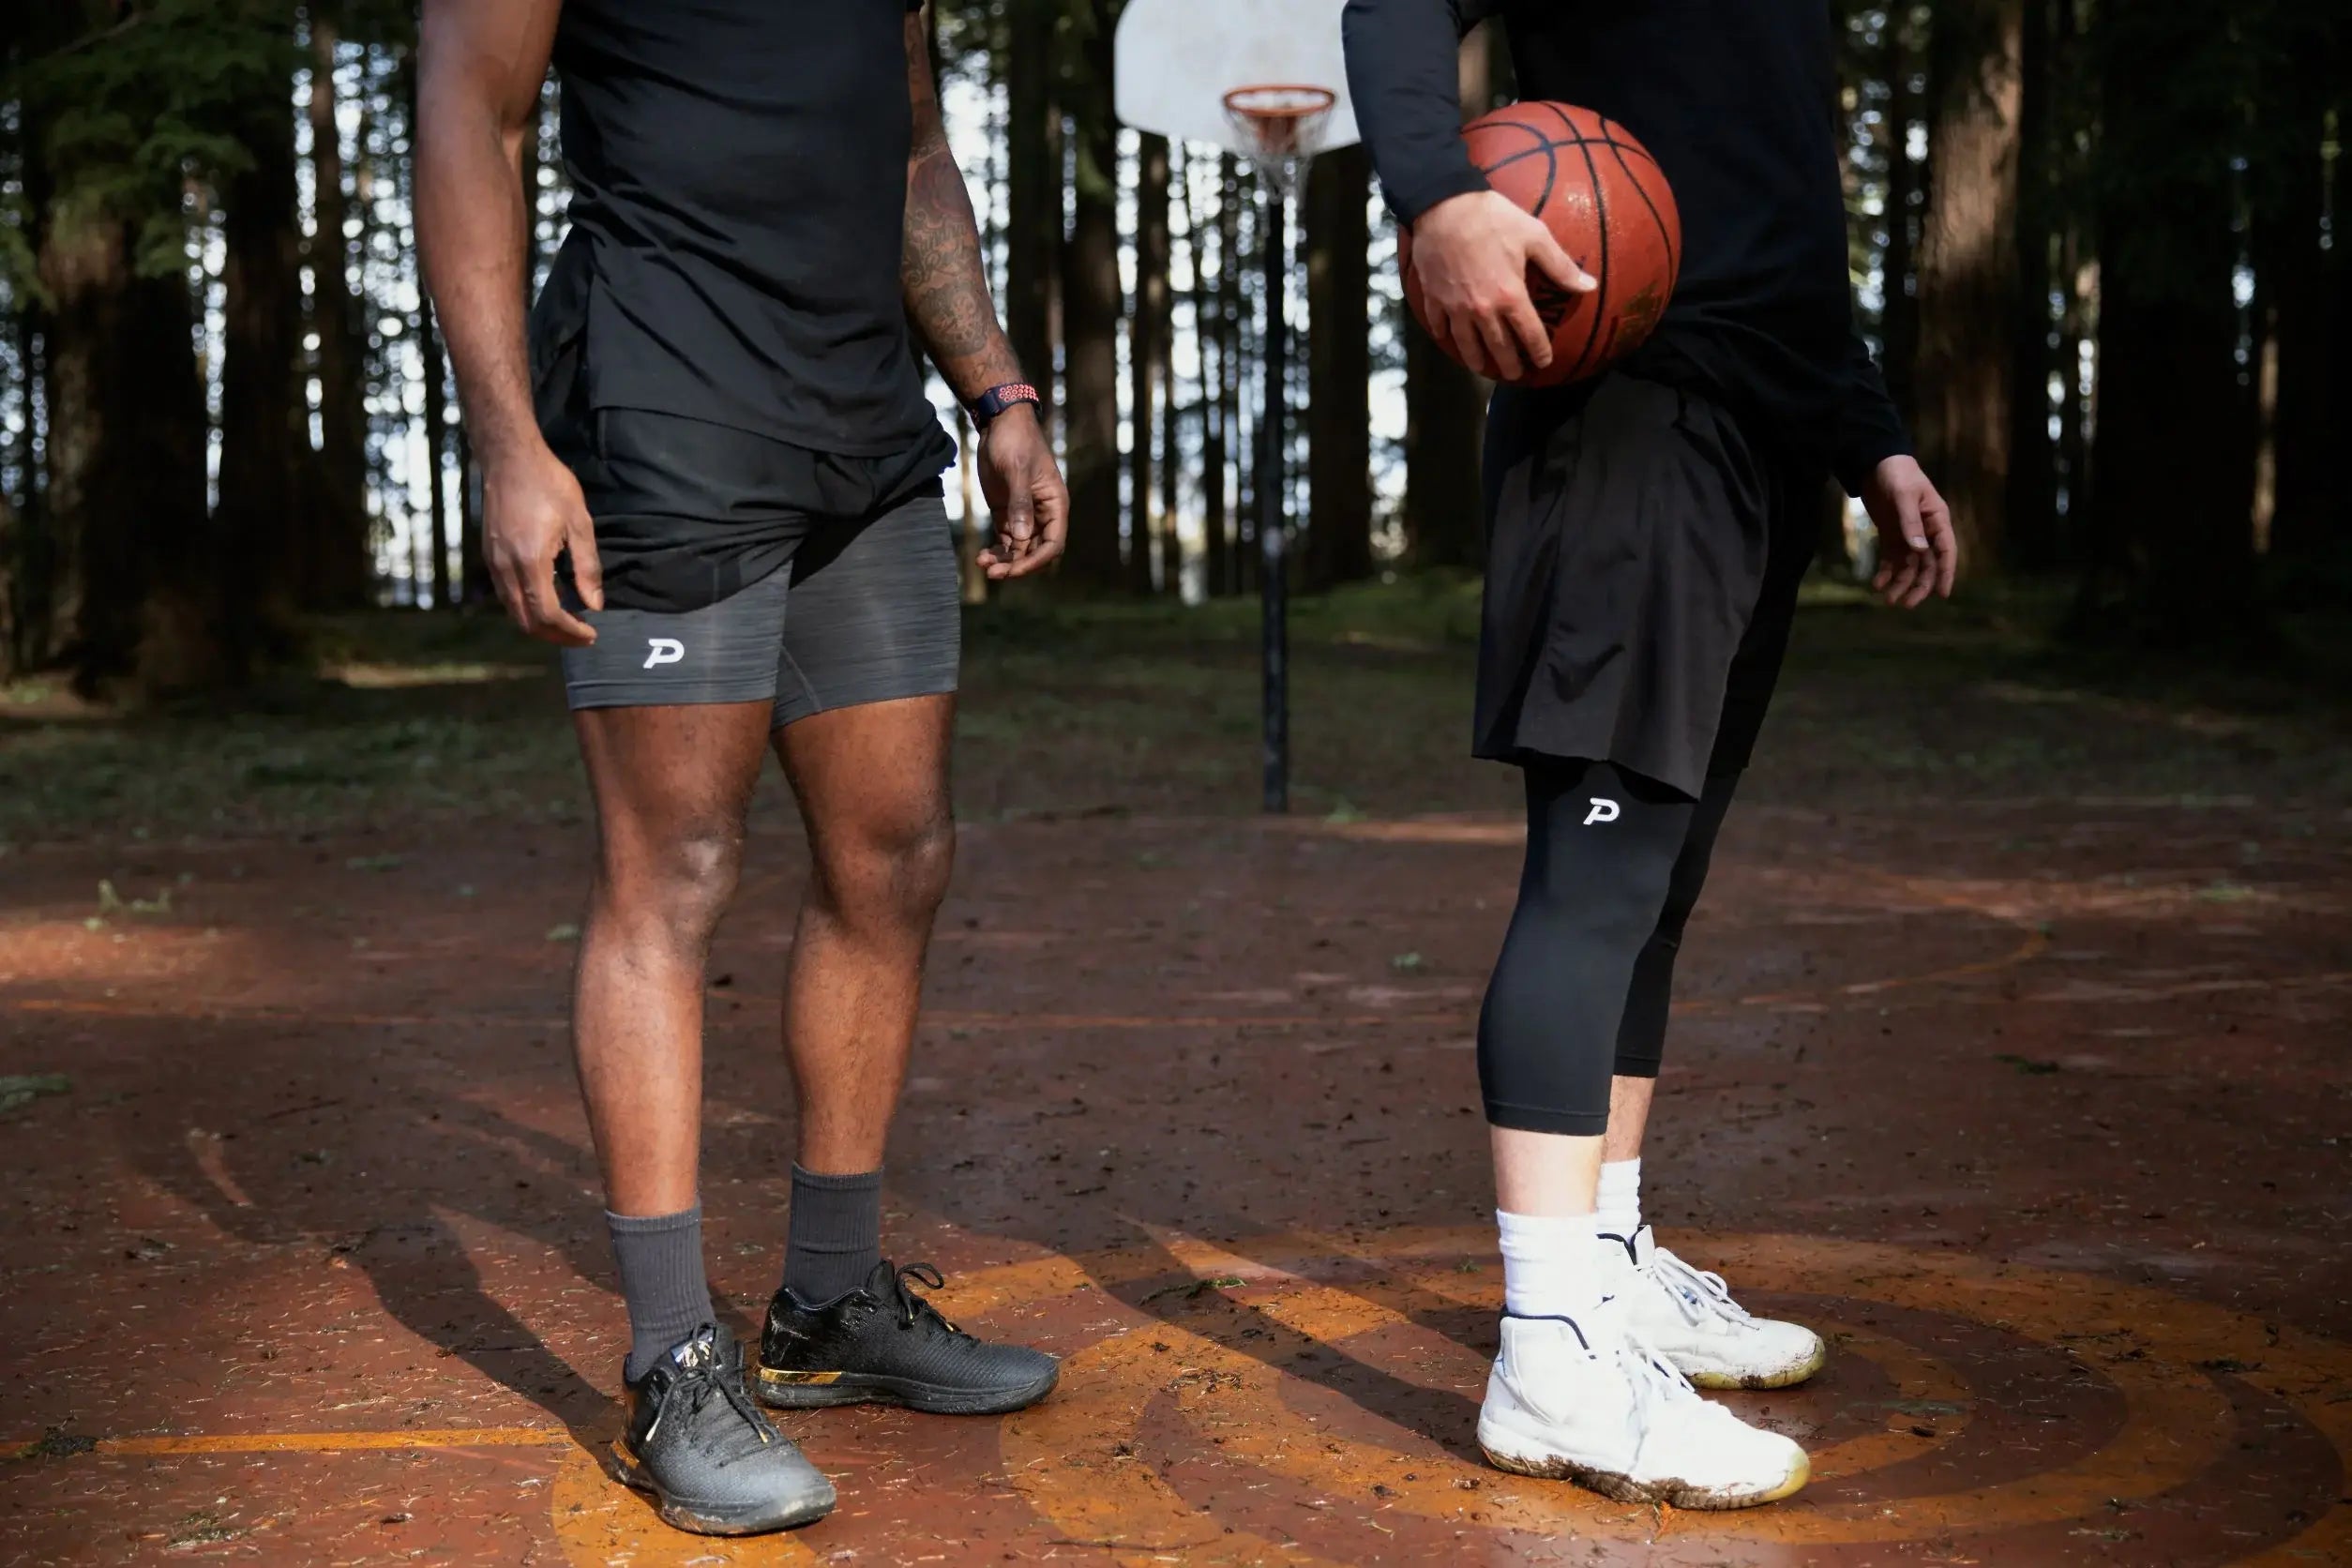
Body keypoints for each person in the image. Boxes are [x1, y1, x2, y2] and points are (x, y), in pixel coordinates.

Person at [416, 0, 1067, 1537]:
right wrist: (509, 439)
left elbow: (912, 151)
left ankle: (831, 1308)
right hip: (664, 411)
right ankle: (670, 1361)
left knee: (895, 854)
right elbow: (470, 115)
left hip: (862, 426)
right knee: (675, 871)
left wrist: (999, 394)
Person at [1342, 0, 1959, 1511]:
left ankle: (1606, 1267)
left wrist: (1866, 433)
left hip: (1762, 426)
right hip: (1636, 416)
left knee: (1657, 885)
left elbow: (1779, 204)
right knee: (1600, 876)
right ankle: (1550, 1355)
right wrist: (1437, 191)